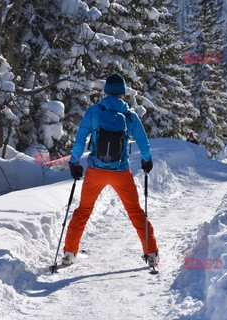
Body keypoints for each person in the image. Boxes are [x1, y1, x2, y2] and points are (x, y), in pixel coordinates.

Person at [63, 73, 159, 269]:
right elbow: (143, 142)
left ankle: (69, 253)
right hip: (121, 172)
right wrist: (147, 161)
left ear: (106, 92)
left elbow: (80, 139)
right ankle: (151, 253)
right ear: (123, 93)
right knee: (135, 211)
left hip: (96, 171)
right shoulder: (129, 115)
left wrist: (74, 163)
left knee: (83, 211)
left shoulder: (94, 112)